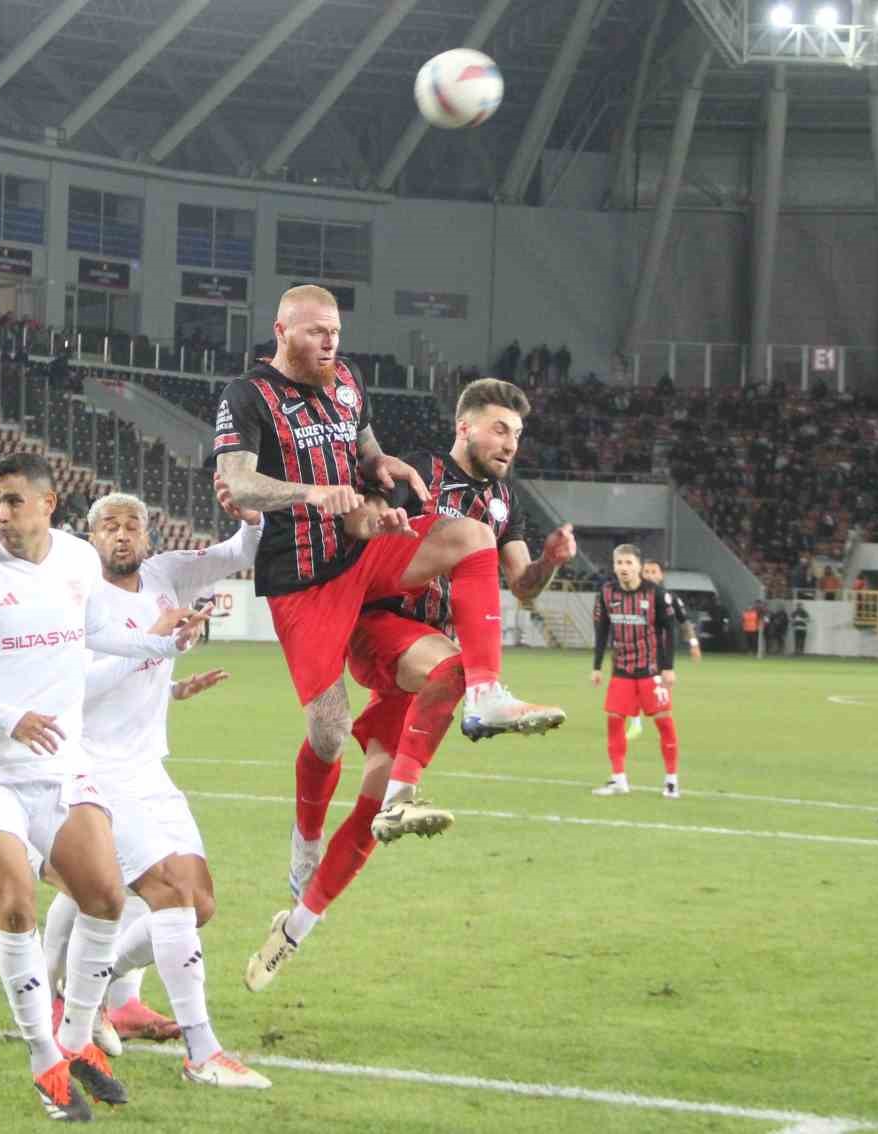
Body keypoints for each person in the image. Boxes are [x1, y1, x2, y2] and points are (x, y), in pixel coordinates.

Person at [213, 286, 565, 896]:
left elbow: (364, 446)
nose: (330, 343)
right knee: (327, 731)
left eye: (336, 333)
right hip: (303, 578)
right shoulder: (248, 395)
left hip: (362, 551)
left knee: (473, 535)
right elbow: (237, 481)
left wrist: (383, 466)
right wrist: (310, 494)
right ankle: (306, 846)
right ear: (281, 330)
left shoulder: (347, 381)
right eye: (317, 332)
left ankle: (484, 692)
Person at [0, 452, 207, 1122]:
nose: (1, 513)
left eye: (13, 500)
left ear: (48, 503)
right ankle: (44, 1058)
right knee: (15, 904)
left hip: (59, 766)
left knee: (103, 899)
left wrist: (162, 644)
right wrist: (8, 716)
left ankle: (77, 1043)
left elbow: (94, 630)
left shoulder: (75, 559)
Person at [246, 378, 576, 992]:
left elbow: (523, 585)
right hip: (378, 621)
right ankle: (484, 693)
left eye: (518, 434)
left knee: (374, 805)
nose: (510, 443)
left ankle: (294, 927)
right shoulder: (416, 468)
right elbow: (352, 525)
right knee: (457, 658)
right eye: (500, 429)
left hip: (428, 660)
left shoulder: (507, 503)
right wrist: (376, 519)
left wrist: (551, 561)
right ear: (465, 427)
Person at [41, 490, 270, 1088]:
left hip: (148, 768)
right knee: (166, 893)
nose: (122, 535)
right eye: (109, 527)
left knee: (199, 904)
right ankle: (203, 1052)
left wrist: (254, 514)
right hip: (92, 769)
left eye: (132, 525)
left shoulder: (167, 574)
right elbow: (72, 693)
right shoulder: (75, 597)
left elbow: (238, 551)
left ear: (148, 533)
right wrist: (155, 644)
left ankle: (80, 990)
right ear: (90, 538)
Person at [590, 544, 679, 798]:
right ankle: (619, 780)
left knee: (664, 723)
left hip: (651, 671)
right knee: (614, 722)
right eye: (619, 563)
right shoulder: (606, 593)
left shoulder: (656, 594)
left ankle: (671, 780)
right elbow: (602, 632)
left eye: (629, 563)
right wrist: (596, 667)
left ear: (639, 566)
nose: (624, 568)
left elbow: (669, 632)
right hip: (622, 671)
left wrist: (668, 668)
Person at [623, 557, 700, 742]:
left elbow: (684, 622)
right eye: (646, 572)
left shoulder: (670, 598)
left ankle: (663, 724)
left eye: (653, 572)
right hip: (637, 650)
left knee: (657, 688)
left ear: (661, 575)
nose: (649, 575)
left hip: (660, 652)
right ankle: (635, 724)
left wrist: (694, 644)